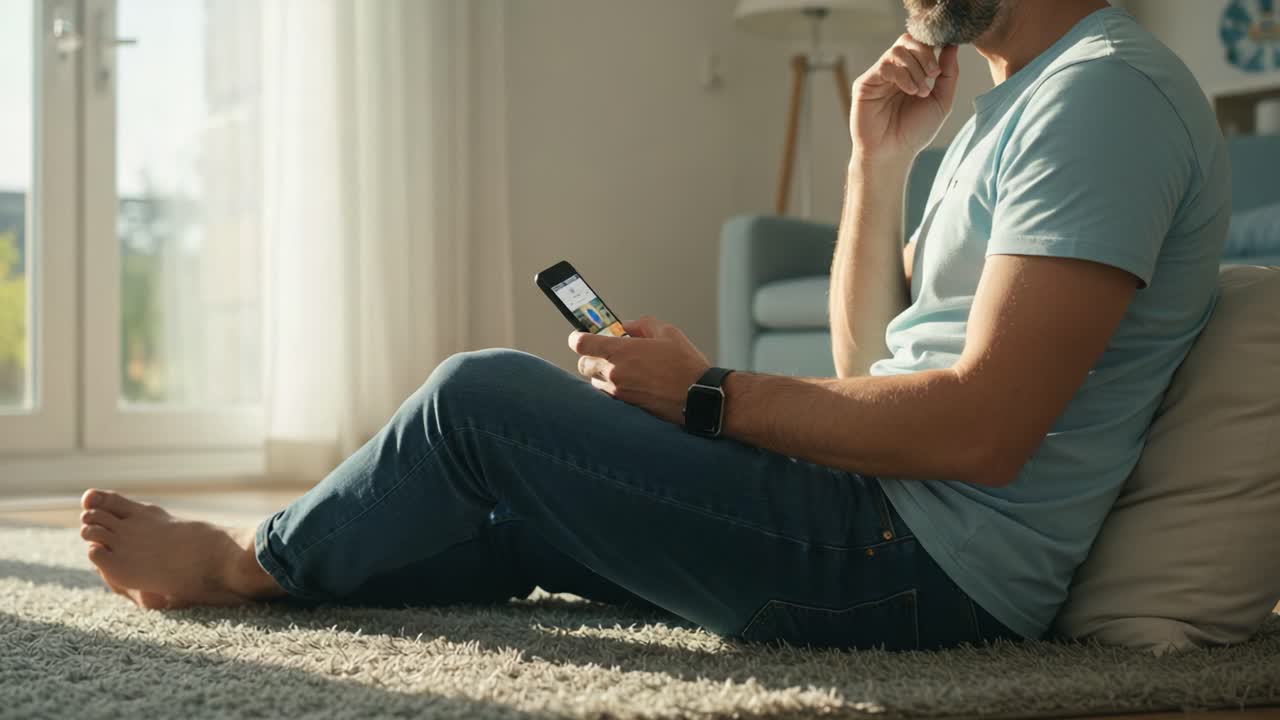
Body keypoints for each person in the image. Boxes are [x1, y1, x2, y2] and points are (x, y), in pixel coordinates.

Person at [77, 0, 1229, 650]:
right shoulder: (1004, 108)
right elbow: (865, 369)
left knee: (477, 401)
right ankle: (309, 571)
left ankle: (244, 565)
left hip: (920, 569)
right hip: (882, 523)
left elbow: (981, 428)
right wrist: (874, 165)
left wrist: (706, 395)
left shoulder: (1104, 96)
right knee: (507, 509)